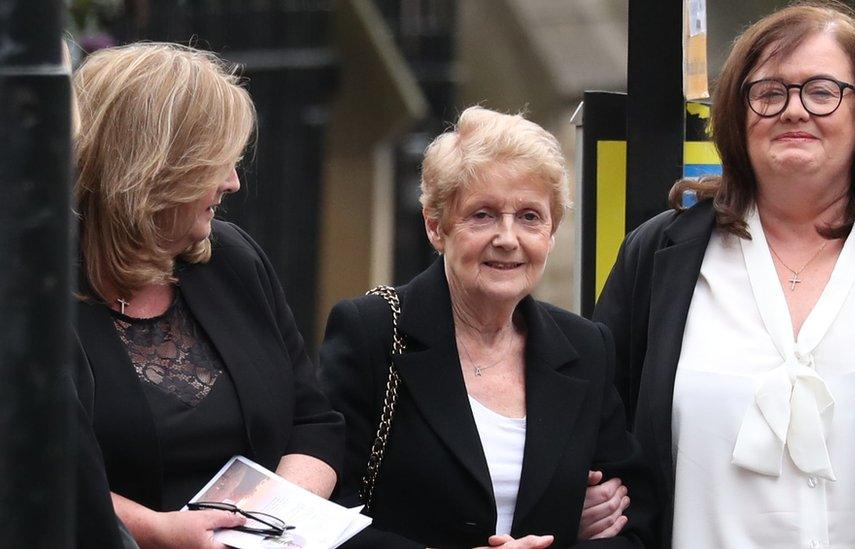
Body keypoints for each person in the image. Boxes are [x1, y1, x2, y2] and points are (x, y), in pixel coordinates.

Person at [594, 3, 855, 548]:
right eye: (769, 93)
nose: (794, 111)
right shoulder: (661, 255)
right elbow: (601, 434)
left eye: (822, 91)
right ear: (736, 111)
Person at [319, 106, 654, 548]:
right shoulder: (373, 332)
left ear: (552, 234)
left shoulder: (585, 348)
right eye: (483, 215)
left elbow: (636, 521)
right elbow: (321, 513)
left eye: (531, 217)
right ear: (436, 227)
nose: (508, 238)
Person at [71, 42, 344, 548]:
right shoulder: (41, 298)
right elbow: (35, 474)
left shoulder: (231, 259)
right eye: (216, 164)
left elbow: (313, 421)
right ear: (155, 171)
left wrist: (270, 522)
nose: (234, 182)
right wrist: (159, 532)